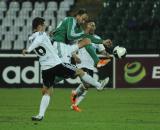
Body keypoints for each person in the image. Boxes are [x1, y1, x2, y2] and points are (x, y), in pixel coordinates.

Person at [22, 17, 109, 121]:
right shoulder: (41, 35)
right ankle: (99, 85)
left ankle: (40, 115)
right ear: (39, 26)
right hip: (56, 65)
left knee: (47, 92)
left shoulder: (31, 38)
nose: (45, 27)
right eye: (44, 25)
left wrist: (30, 48)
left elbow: (41, 43)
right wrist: (28, 50)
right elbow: (39, 40)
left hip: (45, 68)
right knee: (80, 71)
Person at [70, 21, 111, 112]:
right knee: (87, 84)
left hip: (90, 65)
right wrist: (74, 56)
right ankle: (98, 86)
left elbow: (102, 51)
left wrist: (108, 54)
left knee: (87, 86)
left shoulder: (97, 38)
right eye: (90, 25)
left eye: (94, 25)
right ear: (87, 26)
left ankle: (75, 99)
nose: (92, 26)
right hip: (81, 63)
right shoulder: (81, 36)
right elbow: (72, 48)